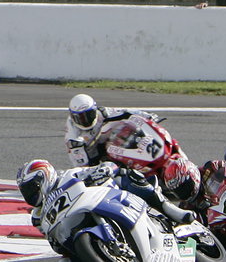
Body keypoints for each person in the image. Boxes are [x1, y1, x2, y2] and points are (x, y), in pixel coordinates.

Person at [18, 159, 194, 228]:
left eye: (31, 187)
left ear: (44, 177)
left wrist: (104, 170)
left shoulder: (68, 175)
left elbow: (107, 166)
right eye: (26, 191)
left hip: (108, 198)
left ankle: (169, 209)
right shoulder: (38, 216)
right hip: (79, 228)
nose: (30, 193)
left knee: (127, 175)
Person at [64, 93, 161, 166]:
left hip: (104, 144)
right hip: (90, 156)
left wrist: (147, 116)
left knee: (122, 126)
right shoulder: (74, 141)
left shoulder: (101, 113)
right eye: (80, 118)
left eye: (88, 115)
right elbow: (83, 167)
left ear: (95, 110)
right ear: (72, 116)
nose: (85, 120)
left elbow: (125, 112)